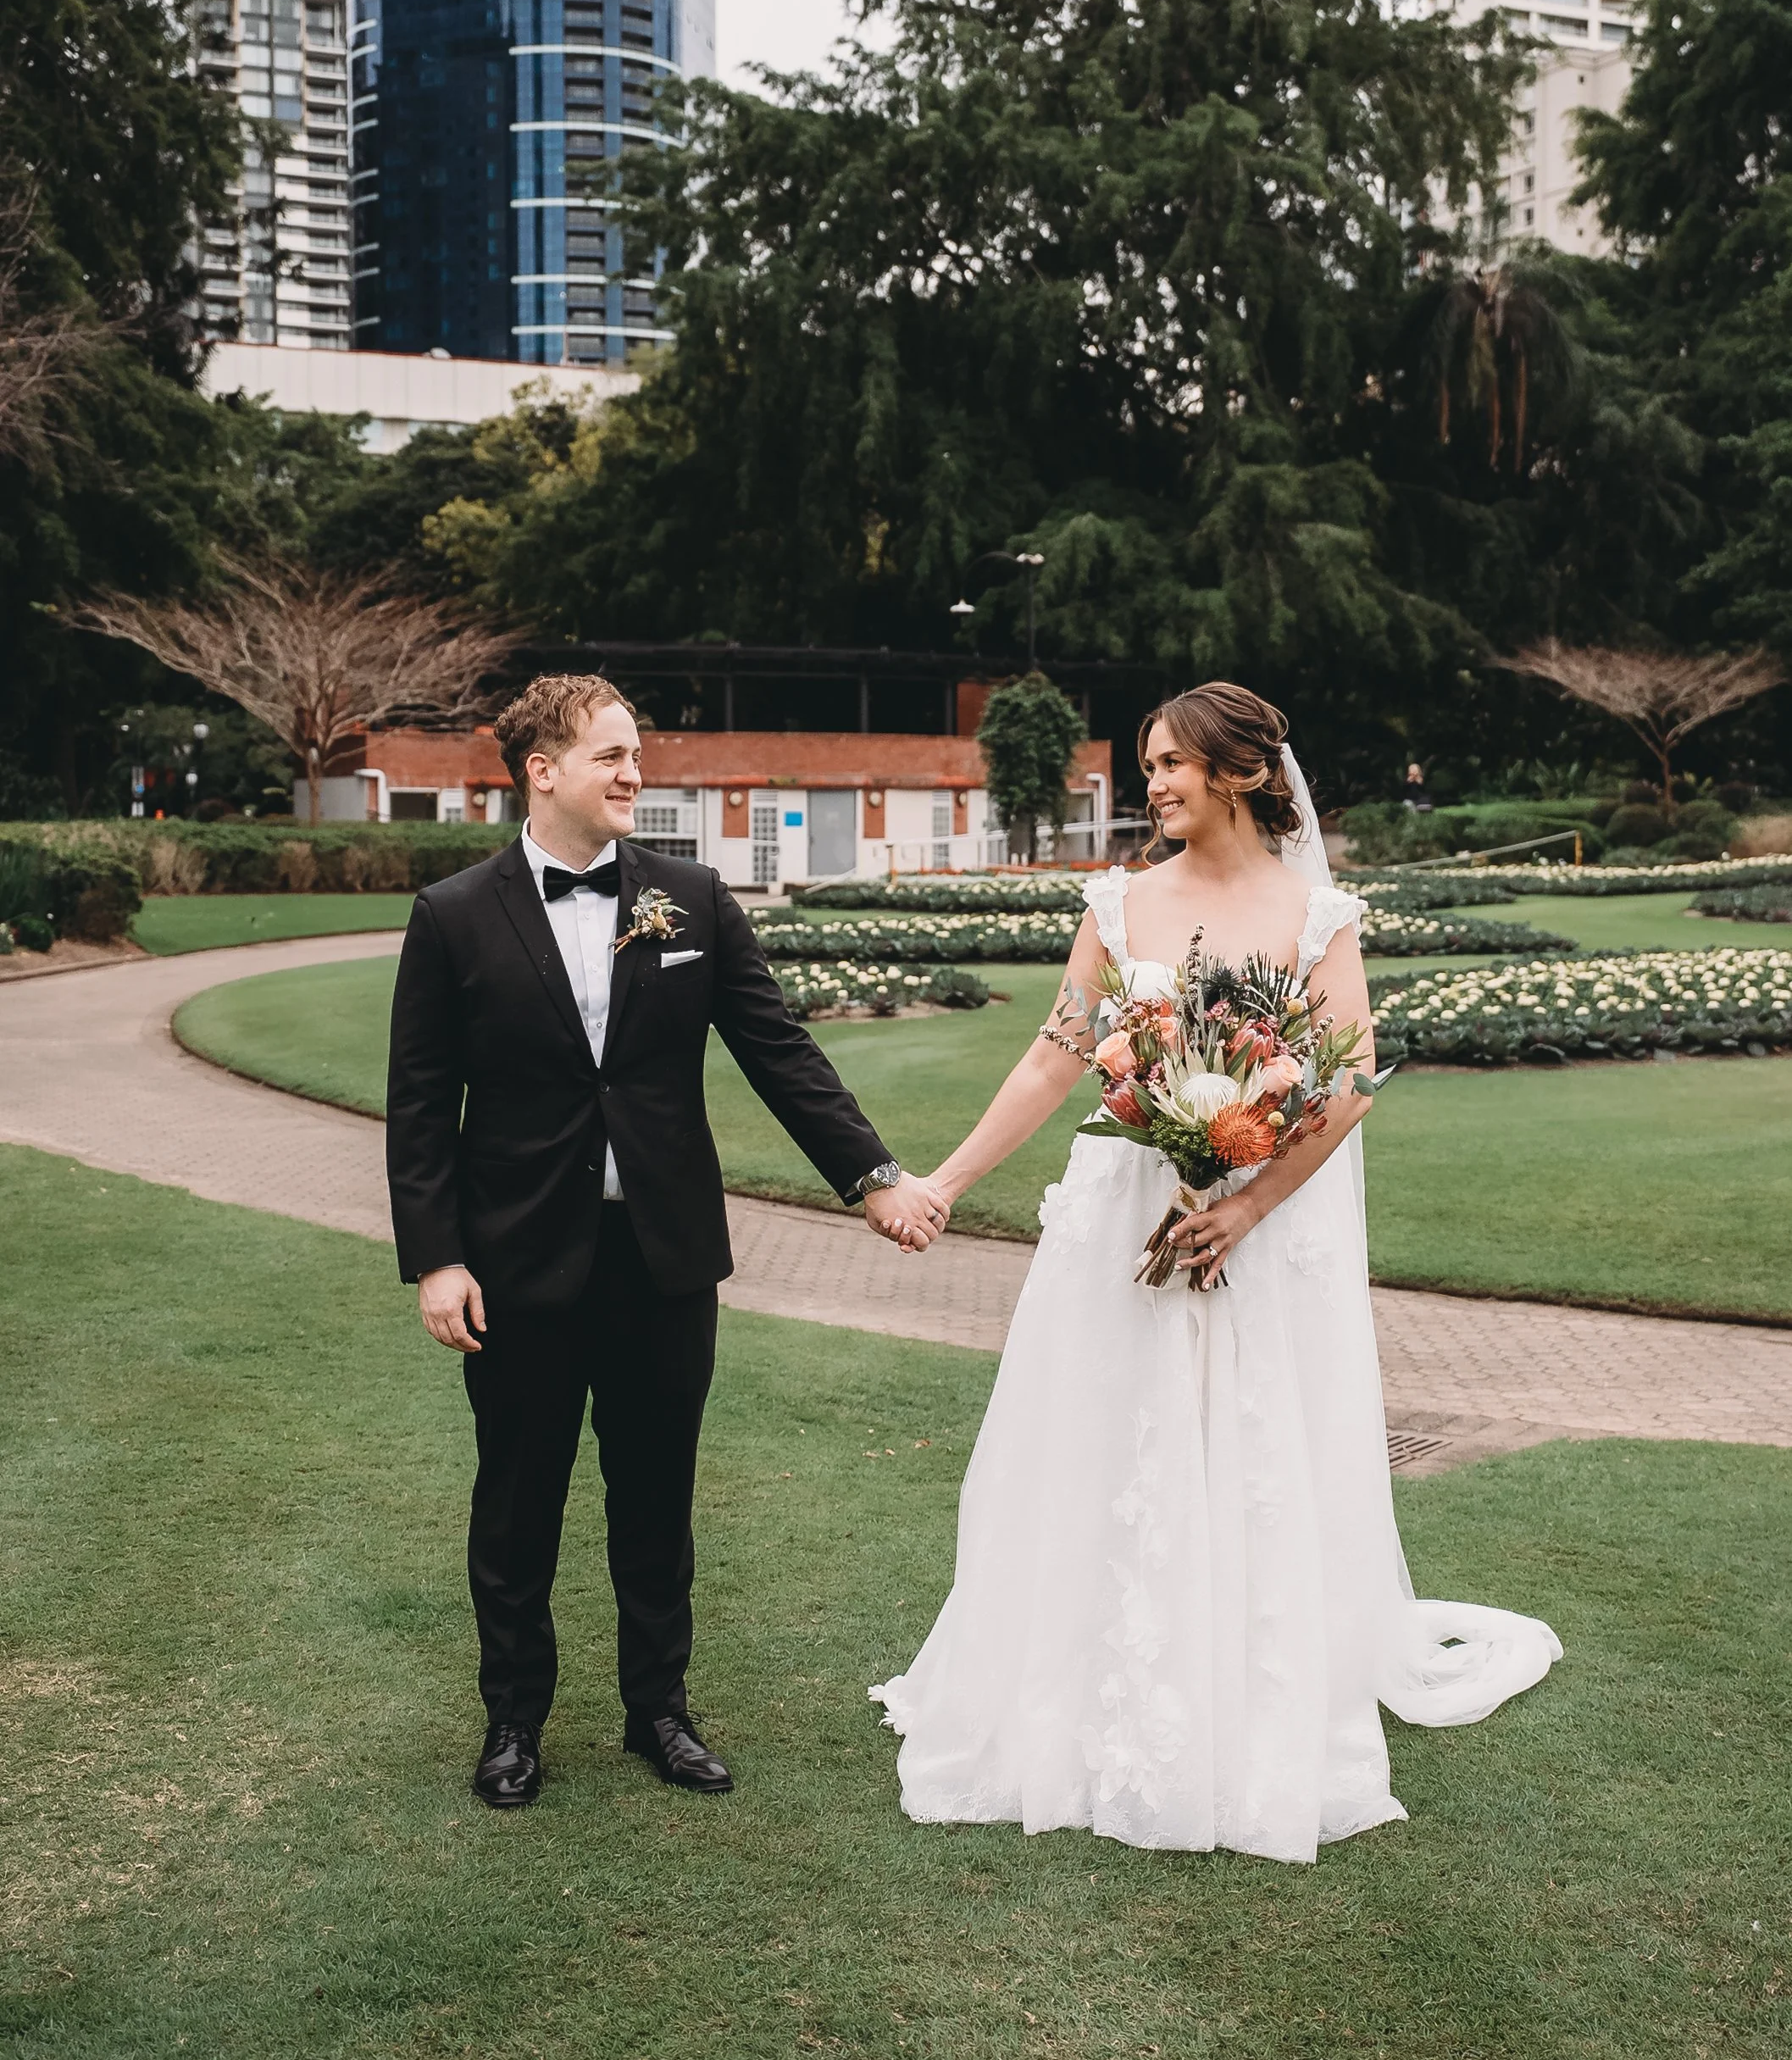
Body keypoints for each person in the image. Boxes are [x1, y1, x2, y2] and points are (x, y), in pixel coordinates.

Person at [874, 682, 1559, 1862]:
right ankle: (1080, 1694)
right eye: (1145, 765)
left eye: (1168, 764)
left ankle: (1241, 1694)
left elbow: (1345, 1081)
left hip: (1258, 1226)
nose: (1151, 784)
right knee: (1103, 1436)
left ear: (1239, 772)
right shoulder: (1121, 900)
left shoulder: (1316, 915)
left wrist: (1246, 1202)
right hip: (1126, 1216)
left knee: (1245, 1445)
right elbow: (1057, 1053)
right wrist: (943, 1177)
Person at [386, 674, 945, 1810]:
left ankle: (660, 1713)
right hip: (514, 1264)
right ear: (542, 770)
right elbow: (418, 1103)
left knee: (655, 1495)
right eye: (611, 755)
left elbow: (779, 1049)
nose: (635, 774)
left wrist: (872, 1177)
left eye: (635, 754)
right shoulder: (451, 915)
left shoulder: (689, 897)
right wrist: (437, 1258)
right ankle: (512, 1724)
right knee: (518, 1498)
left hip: (664, 1259)